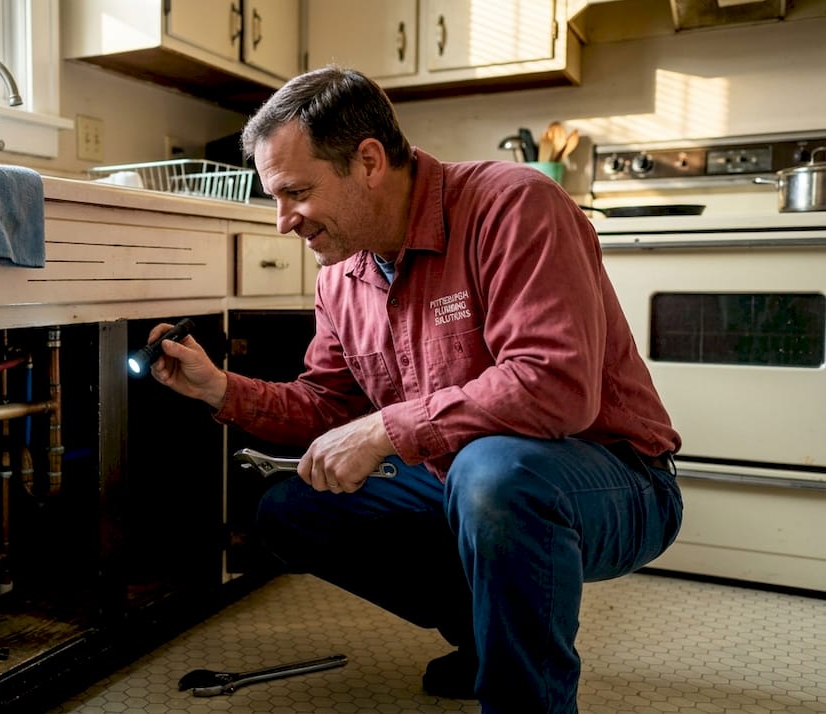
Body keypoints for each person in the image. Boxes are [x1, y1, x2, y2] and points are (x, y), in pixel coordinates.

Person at [146, 65, 683, 714]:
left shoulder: (513, 206)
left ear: (368, 161)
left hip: (617, 475)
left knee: (496, 473)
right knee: (293, 511)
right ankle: (487, 639)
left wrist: (386, 429)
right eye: (274, 198)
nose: (282, 222)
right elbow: (328, 408)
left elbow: (556, 386)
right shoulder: (342, 276)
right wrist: (219, 388)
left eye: (295, 193)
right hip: (458, 477)